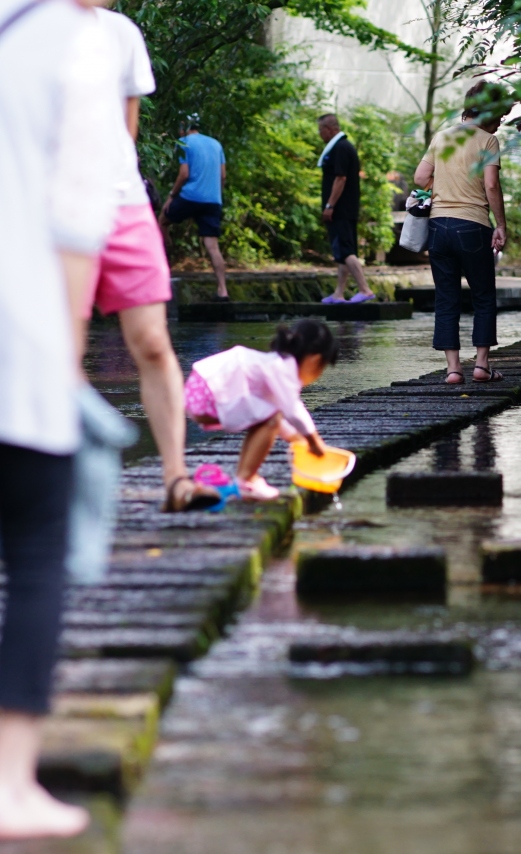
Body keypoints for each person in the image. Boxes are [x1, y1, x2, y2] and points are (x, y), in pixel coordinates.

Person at [0, 0, 121, 838]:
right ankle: (9, 786)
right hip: (19, 338)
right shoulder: (78, 48)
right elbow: (81, 226)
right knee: (37, 554)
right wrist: (68, 362)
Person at [88, 6, 220, 514]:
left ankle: (175, 478)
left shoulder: (121, 34)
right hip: (49, 205)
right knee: (57, 347)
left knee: (152, 340)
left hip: (120, 202)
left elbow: (127, 132)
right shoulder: (20, 23)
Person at [413, 81, 511, 384]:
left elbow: (420, 177)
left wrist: (443, 188)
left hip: (438, 227)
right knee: (483, 296)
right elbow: (491, 185)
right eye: (499, 116)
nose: (500, 123)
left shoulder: (442, 137)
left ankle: (453, 370)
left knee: (446, 298)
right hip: (472, 226)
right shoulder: (486, 141)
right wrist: (501, 225)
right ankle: (481, 366)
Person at [184, 319, 336, 501]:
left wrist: (295, 438)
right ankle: (246, 480)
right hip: (207, 394)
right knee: (270, 419)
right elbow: (293, 409)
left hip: (199, 391)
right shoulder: (282, 369)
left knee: (270, 416)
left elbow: (275, 411)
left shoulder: (273, 364)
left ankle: (244, 479)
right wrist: (314, 440)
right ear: (314, 361)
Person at [160, 115, 229, 301]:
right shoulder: (216, 144)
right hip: (213, 200)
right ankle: (223, 290)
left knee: (163, 220)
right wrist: (217, 195)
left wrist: (172, 196)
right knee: (212, 245)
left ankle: (162, 272)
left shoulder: (183, 142)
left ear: (183, 127)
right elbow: (223, 176)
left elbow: (184, 174)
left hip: (190, 196)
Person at [317, 114, 375, 304]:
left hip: (340, 209)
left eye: (321, 130)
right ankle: (339, 293)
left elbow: (340, 178)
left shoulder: (341, 147)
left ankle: (365, 289)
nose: (320, 135)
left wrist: (330, 205)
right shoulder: (341, 146)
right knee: (341, 252)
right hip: (345, 208)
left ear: (330, 128)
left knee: (346, 250)